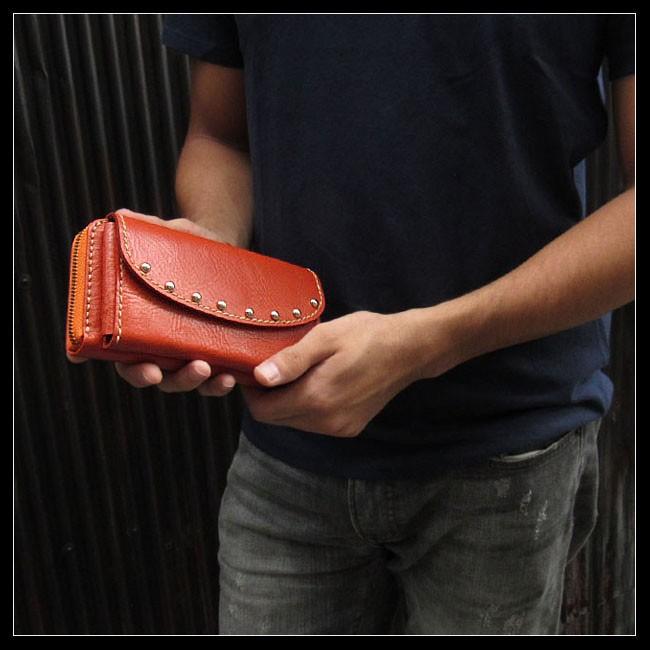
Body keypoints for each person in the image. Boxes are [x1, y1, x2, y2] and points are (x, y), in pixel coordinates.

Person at [74, 15, 635, 634]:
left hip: (510, 453)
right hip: (287, 449)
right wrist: (210, 277)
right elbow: (220, 137)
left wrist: (430, 343)